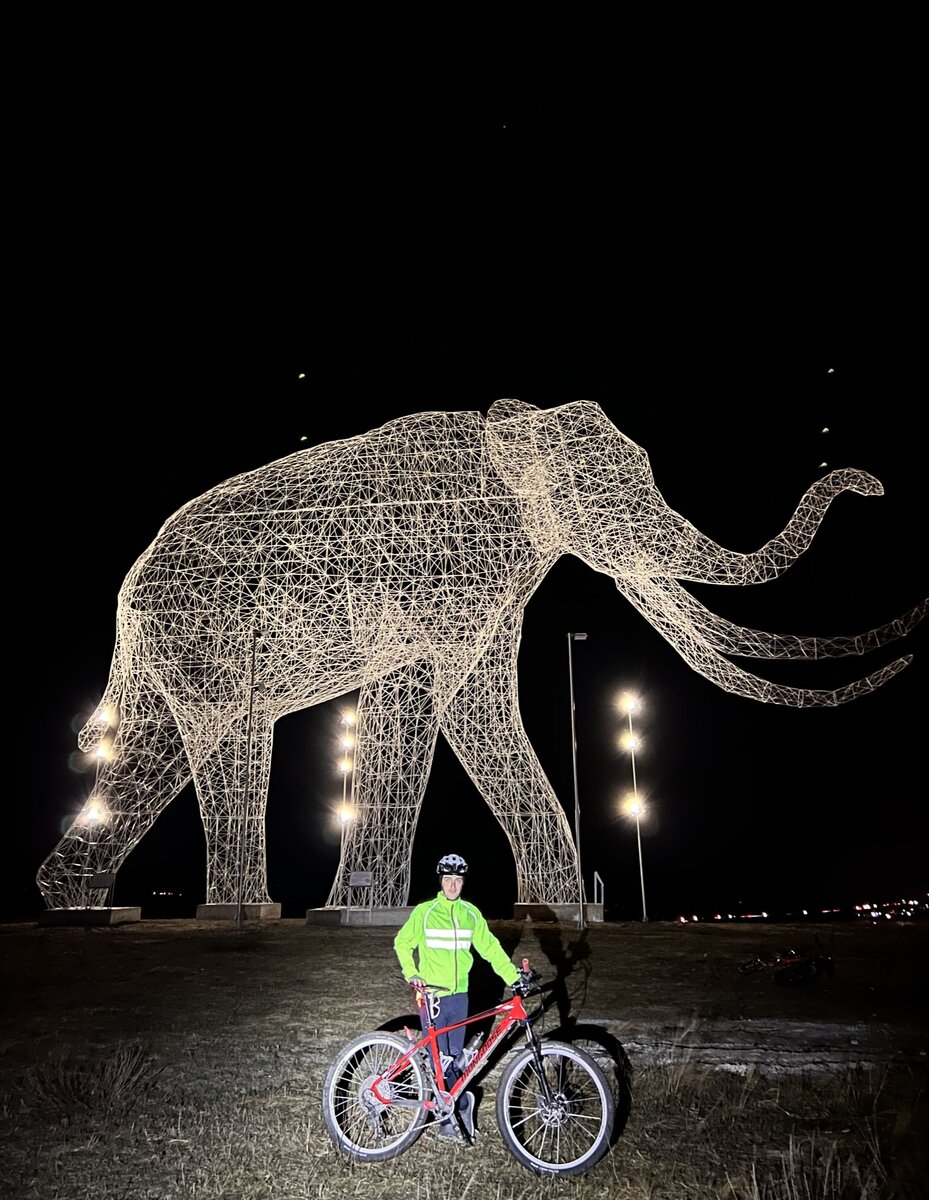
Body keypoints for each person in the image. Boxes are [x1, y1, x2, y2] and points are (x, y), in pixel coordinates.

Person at [393, 852, 522, 1142]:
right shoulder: (425, 912)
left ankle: (455, 1105)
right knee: (438, 1058)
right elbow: (402, 942)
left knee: (454, 1058)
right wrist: (412, 972)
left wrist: (514, 976)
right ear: (441, 881)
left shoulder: (470, 914)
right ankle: (450, 1115)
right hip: (432, 995)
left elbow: (490, 949)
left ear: (463, 883)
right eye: (448, 879)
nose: (452, 885)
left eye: (458, 880)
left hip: (460, 996)